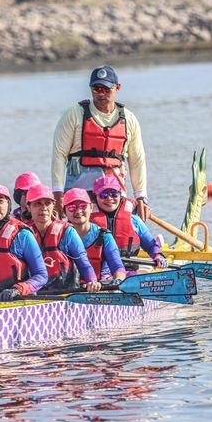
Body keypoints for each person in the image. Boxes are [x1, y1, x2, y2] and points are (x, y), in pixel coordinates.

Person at [51, 65, 151, 221]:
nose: (101, 93)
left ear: (117, 87)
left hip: (113, 195)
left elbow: (137, 160)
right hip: (80, 195)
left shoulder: (129, 119)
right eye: (97, 89)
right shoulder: (74, 114)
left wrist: (141, 197)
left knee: (121, 231)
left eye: (106, 89)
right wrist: (58, 193)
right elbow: (59, 154)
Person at [0, 184, 48, 300]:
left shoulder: (23, 234)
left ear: (8, 205)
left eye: (0, 201)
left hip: (15, 300)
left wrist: (18, 289)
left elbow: (41, 275)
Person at [25, 184, 97, 291]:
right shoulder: (24, 234)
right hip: (34, 294)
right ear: (28, 207)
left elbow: (85, 266)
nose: (43, 208)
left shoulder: (67, 232)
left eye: (47, 203)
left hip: (66, 293)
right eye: (37, 204)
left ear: (53, 205)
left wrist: (92, 282)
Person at [90, 175, 168, 268]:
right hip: (95, 274)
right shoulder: (87, 220)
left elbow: (150, 245)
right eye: (104, 195)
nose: (109, 198)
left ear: (120, 195)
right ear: (95, 196)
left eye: (114, 194)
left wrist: (158, 255)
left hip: (127, 270)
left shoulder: (133, 219)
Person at [63, 188, 125, 288]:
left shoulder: (104, 236)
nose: (78, 211)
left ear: (91, 207)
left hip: (99, 287)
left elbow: (118, 267)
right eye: (72, 208)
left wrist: (117, 282)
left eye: (83, 206)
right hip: (68, 289)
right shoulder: (60, 236)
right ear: (64, 211)